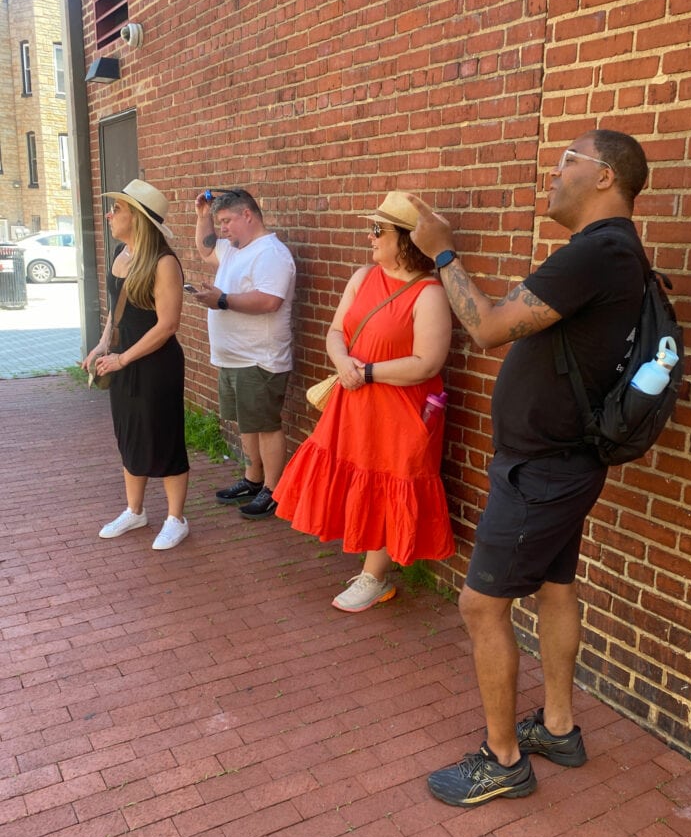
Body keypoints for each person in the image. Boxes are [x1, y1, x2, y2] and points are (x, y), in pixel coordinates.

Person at [411, 130, 650, 806]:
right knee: (554, 589)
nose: (555, 171)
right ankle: (558, 726)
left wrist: (442, 251)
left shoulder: (598, 252)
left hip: (541, 470)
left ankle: (504, 760)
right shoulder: (613, 254)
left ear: (604, 176)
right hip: (562, 461)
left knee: (481, 604)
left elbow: (485, 326)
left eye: (566, 160)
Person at [273, 191, 455, 612]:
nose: (369, 238)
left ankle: (375, 576)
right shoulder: (363, 277)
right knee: (363, 477)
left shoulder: (429, 294)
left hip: (400, 409)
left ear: (406, 240)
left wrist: (366, 371)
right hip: (355, 400)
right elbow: (337, 331)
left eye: (378, 230)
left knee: (389, 480)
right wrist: (343, 362)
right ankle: (369, 567)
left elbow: (427, 363)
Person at [82, 179, 190, 551]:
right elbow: (116, 312)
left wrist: (123, 357)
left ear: (139, 218)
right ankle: (135, 511)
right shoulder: (119, 253)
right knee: (128, 433)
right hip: (120, 361)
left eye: (119, 209)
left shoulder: (164, 263)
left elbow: (168, 324)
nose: (110, 215)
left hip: (156, 365)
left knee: (163, 434)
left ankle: (176, 518)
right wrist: (101, 345)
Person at [193, 188, 296, 520]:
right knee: (247, 424)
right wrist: (202, 215)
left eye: (226, 221)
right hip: (233, 358)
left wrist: (223, 300)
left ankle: (273, 490)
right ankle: (253, 480)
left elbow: (269, 301)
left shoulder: (272, 254)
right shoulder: (234, 249)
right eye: (219, 222)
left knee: (265, 425)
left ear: (247, 215)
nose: (222, 229)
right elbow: (204, 247)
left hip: (259, 358)